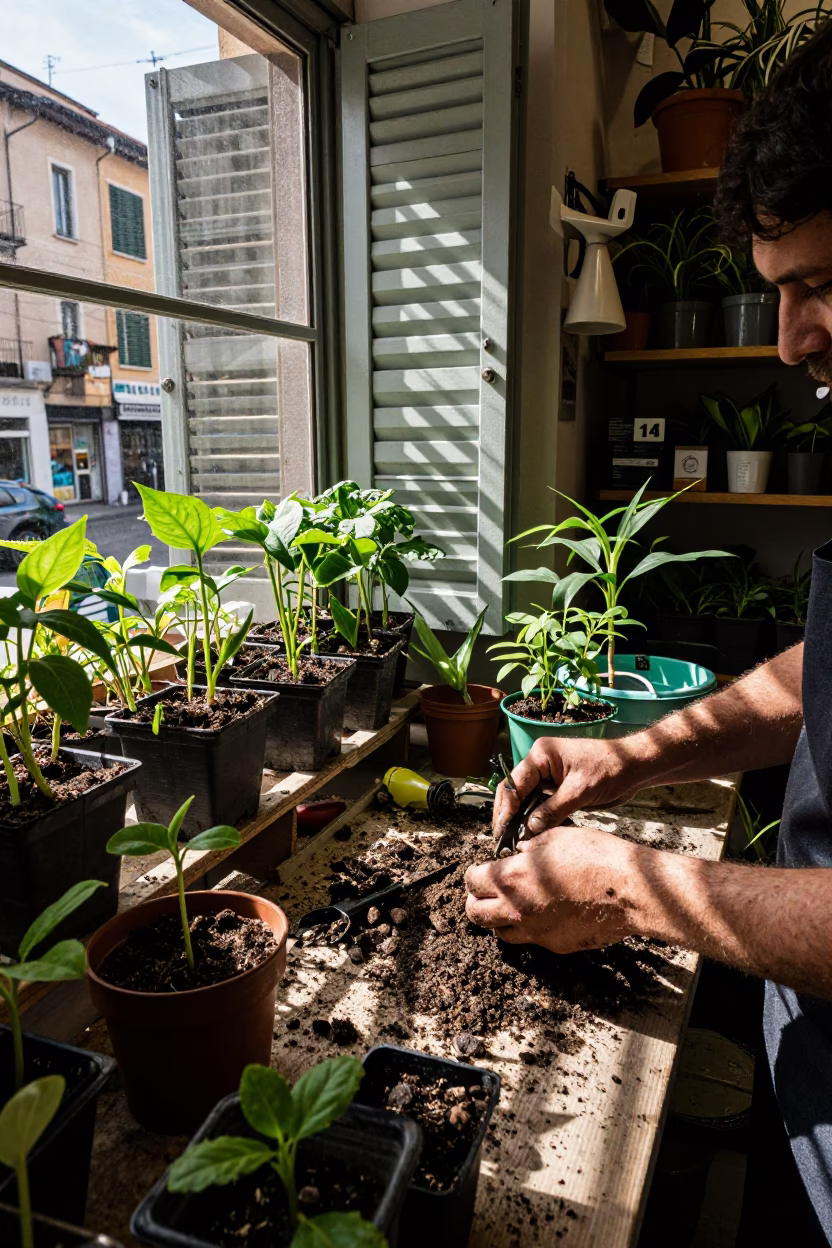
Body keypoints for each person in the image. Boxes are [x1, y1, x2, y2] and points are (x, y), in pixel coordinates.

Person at [465, 21, 832, 1246]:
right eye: (780, 290)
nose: (790, 342)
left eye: (821, 285)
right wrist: (626, 755)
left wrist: (626, 886)